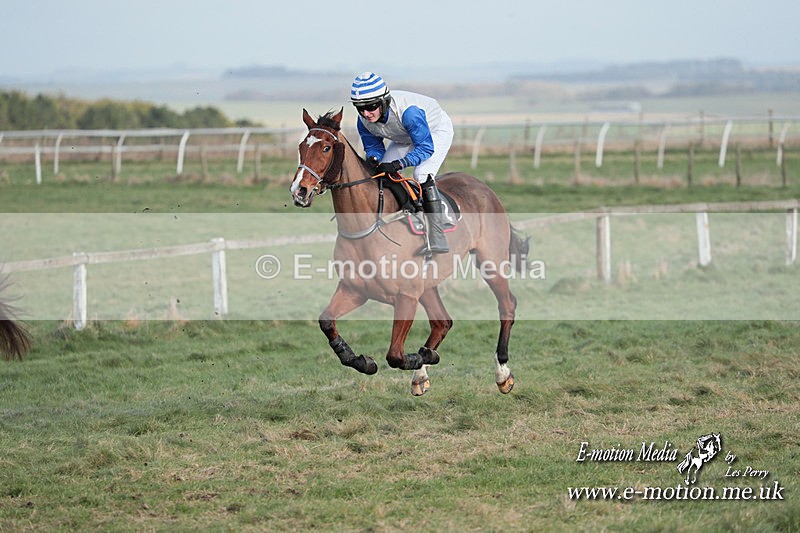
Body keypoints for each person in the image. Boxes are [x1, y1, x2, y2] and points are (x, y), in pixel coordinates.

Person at [350, 71, 454, 255]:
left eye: (371, 106)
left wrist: (400, 164)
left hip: (434, 131)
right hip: (403, 135)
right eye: (360, 108)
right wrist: (374, 159)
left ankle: (437, 233)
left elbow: (425, 148)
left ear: (384, 101)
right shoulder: (363, 120)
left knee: (421, 173)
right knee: (382, 173)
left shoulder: (410, 113)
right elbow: (374, 147)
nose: (366, 113)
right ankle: (405, 210)